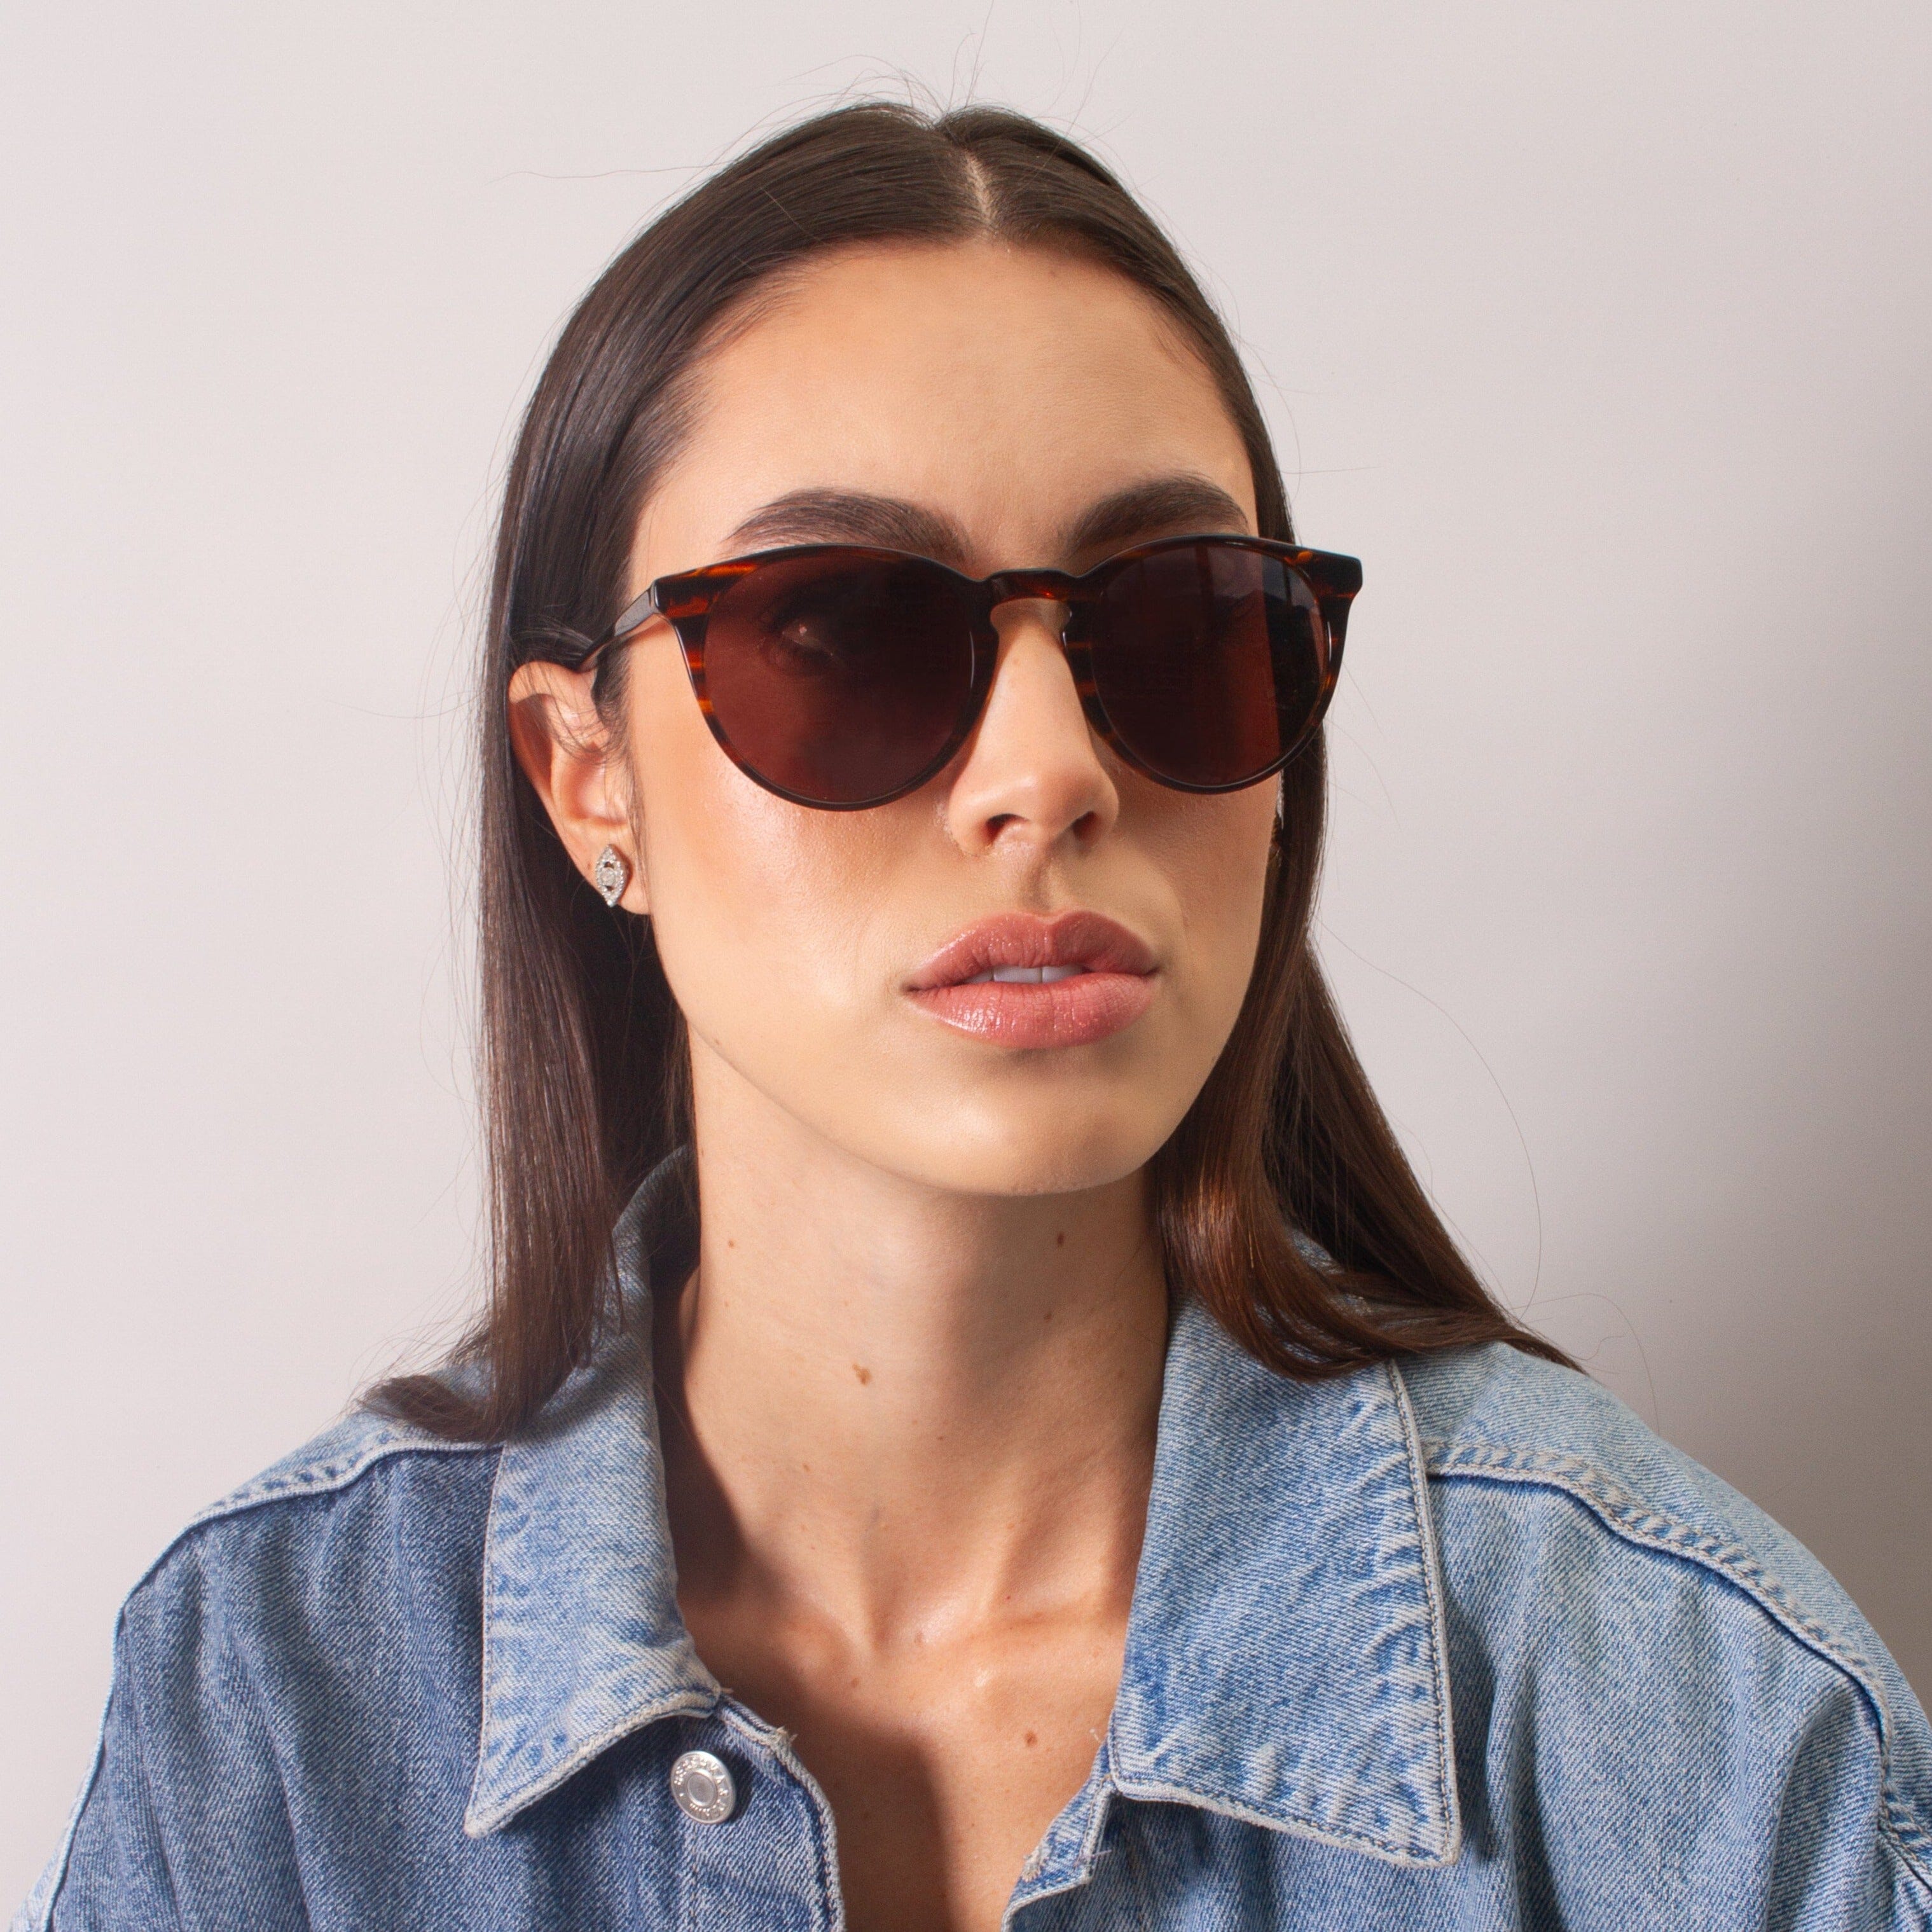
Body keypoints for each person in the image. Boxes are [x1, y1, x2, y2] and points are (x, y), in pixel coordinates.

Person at [17, 100, 1931, 1932]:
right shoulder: (271, 1705)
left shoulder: (1692, 1727)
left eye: (1179, 623)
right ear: (590, 779)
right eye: (842, 631)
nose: (1048, 772)